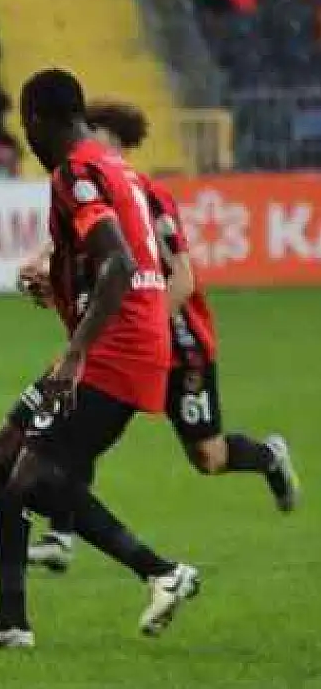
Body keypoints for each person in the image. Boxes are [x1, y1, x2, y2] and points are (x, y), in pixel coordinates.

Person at [0, 69, 201, 651]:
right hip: (121, 336)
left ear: (42, 118)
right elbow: (124, 264)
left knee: (35, 479)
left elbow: (116, 264)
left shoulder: (76, 173)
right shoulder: (111, 166)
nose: (26, 141)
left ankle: (162, 573)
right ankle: (10, 620)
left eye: (26, 126)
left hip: (117, 349)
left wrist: (75, 352)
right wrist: (61, 286)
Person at [25, 99, 300, 571]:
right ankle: (61, 534)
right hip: (127, 344)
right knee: (78, 415)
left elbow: (184, 281)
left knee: (207, 457)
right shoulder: (88, 192)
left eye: (96, 137)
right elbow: (66, 251)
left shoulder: (147, 196)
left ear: (118, 145)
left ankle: (268, 457)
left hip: (179, 343)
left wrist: (137, 322)